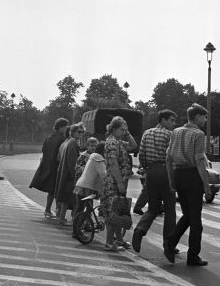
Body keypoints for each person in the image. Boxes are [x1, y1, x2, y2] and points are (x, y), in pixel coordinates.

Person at [165, 103, 211, 266]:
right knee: (196, 220)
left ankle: (170, 243)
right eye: (204, 117)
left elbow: (168, 158)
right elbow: (199, 161)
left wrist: (171, 180)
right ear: (197, 117)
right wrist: (206, 186)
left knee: (188, 215)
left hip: (179, 175)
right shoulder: (199, 134)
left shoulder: (176, 132)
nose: (205, 120)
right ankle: (192, 255)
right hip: (192, 176)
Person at [132, 109, 177, 255]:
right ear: (163, 120)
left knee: (152, 207)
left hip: (150, 172)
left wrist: (147, 168)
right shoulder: (170, 135)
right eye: (171, 120)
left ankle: (140, 230)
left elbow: (142, 153)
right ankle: (168, 244)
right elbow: (171, 157)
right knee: (170, 210)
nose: (173, 123)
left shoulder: (147, 133)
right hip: (165, 172)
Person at [102, 116, 137, 251]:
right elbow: (112, 163)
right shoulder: (112, 142)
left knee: (117, 211)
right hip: (113, 182)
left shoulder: (118, 141)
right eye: (122, 129)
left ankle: (117, 240)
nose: (124, 132)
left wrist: (127, 133)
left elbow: (133, 146)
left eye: (125, 130)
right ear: (114, 129)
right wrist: (120, 183)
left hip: (118, 182)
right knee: (113, 213)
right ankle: (109, 243)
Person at [29, 118, 69, 218]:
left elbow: (44, 150)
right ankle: (58, 211)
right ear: (61, 127)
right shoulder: (62, 139)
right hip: (56, 166)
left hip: (47, 165)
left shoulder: (49, 137)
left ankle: (48, 210)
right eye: (65, 127)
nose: (66, 129)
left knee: (51, 190)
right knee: (58, 189)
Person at [54, 123, 85, 225]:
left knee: (67, 197)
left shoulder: (72, 142)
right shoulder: (73, 143)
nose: (81, 134)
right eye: (79, 132)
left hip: (67, 174)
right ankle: (63, 218)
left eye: (82, 132)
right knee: (68, 197)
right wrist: (75, 175)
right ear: (72, 132)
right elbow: (72, 161)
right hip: (70, 175)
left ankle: (62, 217)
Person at [73, 137, 99, 217]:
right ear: (87, 146)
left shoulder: (96, 156)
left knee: (89, 206)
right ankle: (77, 222)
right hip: (82, 186)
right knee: (80, 206)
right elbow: (77, 168)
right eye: (91, 146)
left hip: (91, 186)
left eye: (95, 146)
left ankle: (87, 222)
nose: (93, 148)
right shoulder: (83, 156)